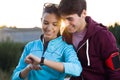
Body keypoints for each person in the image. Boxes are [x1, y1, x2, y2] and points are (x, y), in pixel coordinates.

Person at [12, 3, 82, 80]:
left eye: (55, 24)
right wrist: (29, 68)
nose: (49, 28)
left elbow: (76, 69)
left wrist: (42, 61)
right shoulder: (30, 46)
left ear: (60, 25)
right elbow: (15, 77)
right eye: (46, 23)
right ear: (41, 21)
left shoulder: (66, 47)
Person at [58, 0, 120, 80]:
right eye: (63, 19)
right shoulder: (65, 36)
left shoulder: (103, 36)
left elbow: (115, 71)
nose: (66, 23)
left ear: (83, 13)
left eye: (70, 19)